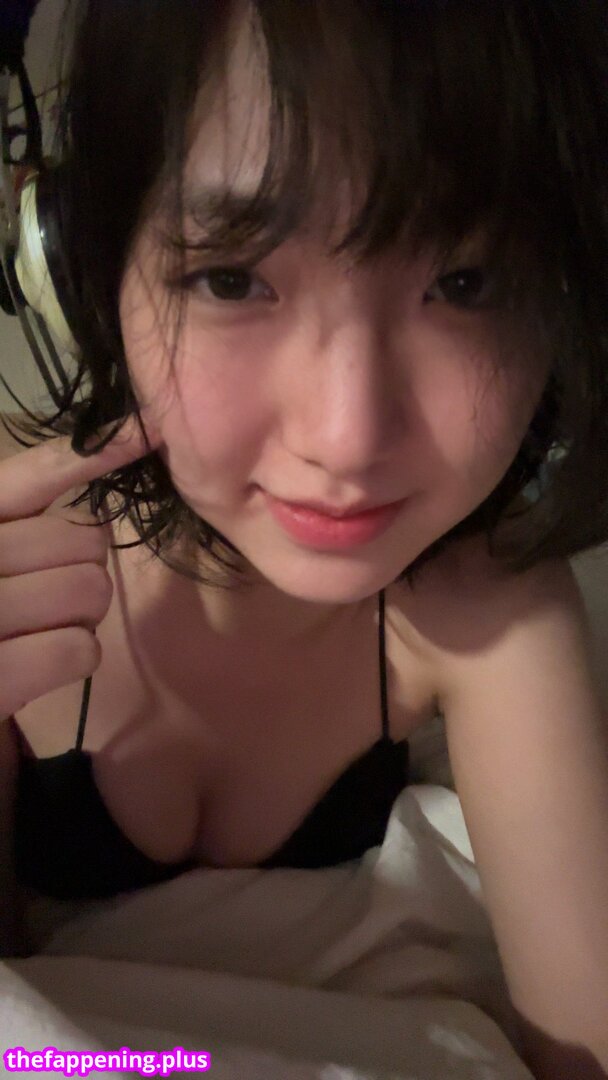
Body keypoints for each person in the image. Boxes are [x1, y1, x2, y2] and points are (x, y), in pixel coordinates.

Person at [1, 1, 608, 1075]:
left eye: (463, 283)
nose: (348, 437)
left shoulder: (488, 608)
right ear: (80, 273)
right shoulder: (13, 547)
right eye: (232, 278)